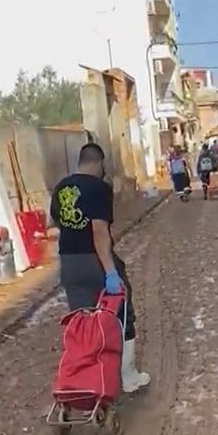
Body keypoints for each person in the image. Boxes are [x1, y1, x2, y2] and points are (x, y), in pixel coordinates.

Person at [49, 143, 150, 393]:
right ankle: (127, 377)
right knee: (121, 314)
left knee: (83, 324)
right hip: (95, 261)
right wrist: (111, 272)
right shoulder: (98, 188)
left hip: (69, 264)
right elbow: (99, 232)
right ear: (99, 163)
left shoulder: (61, 187)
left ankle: (89, 381)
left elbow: (57, 223)